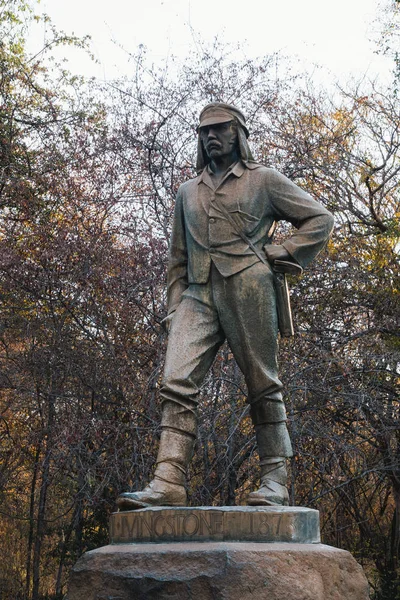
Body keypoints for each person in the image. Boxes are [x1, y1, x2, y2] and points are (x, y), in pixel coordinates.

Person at [117, 102, 334, 510]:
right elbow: (176, 258)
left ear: (238, 133)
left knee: (262, 382)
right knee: (175, 382)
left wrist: (282, 252)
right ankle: (167, 481)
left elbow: (319, 219)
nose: (211, 136)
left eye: (219, 129)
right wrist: (174, 307)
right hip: (197, 295)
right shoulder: (187, 191)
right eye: (204, 131)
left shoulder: (264, 180)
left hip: (248, 288)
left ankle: (275, 480)